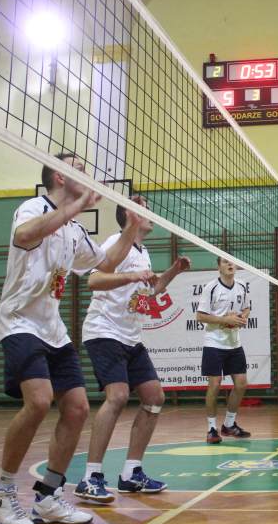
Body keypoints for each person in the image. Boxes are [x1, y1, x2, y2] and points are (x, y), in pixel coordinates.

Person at [0, 153, 142, 524]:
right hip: (19, 321)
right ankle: (3, 491)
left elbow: (106, 263)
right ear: (59, 175)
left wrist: (132, 227)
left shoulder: (75, 229)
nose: (87, 175)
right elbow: (24, 236)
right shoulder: (33, 208)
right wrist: (76, 205)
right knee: (39, 402)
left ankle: (48, 496)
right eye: (79, 169)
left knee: (77, 408)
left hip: (53, 329)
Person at [74, 197, 191, 504]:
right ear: (130, 215)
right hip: (104, 331)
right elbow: (94, 281)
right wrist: (130, 276)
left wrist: (174, 271)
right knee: (118, 396)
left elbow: (149, 291)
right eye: (144, 209)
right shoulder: (116, 243)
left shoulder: (143, 251)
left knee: (154, 397)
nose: (150, 214)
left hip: (130, 336)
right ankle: (91, 477)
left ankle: (131, 473)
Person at [196, 257, 253, 444]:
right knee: (215, 384)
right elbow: (200, 316)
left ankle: (229, 425)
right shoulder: (211, 287)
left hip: (234, 343)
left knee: (241, 384)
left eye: (232, 262)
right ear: (218, 266)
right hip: (214, 343)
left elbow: (246, 308)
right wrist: (224, 320)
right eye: (225, 262)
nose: (230, 265)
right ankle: (211, 429)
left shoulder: (241, 286)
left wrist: (241, 317)